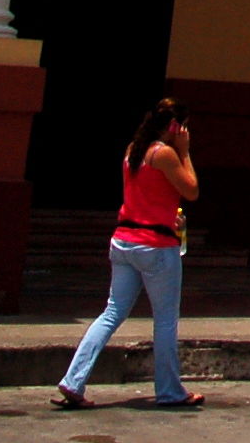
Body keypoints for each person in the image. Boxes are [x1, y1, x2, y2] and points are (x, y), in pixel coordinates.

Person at [54, 98, 204, 410]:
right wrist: (186, 151)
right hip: (155, 247)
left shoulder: (133, 150)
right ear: (175, 128)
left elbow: (149, 196)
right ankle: (170, 391)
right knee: (165, 320)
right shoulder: (164, 154)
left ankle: (73, 380)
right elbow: (191, 190)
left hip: (124, 242)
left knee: (111, 313)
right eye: (184, 127)